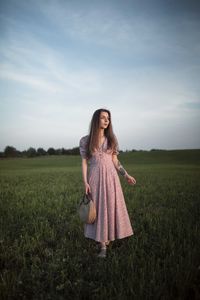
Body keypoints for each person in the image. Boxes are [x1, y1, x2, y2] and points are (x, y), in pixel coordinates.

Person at [79, 108, 136, 258]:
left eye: (108, 118)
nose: (106, 120)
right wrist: (85, 181)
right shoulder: (85, 140)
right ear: (96, 119)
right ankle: (102, 245)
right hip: (95, 179)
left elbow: (115, 161)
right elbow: (84, 163)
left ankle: (108, 236)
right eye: (103, 117)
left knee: (110, 207)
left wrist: (126, 175)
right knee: (98, 210)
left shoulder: (111, 139)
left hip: (111, 178)